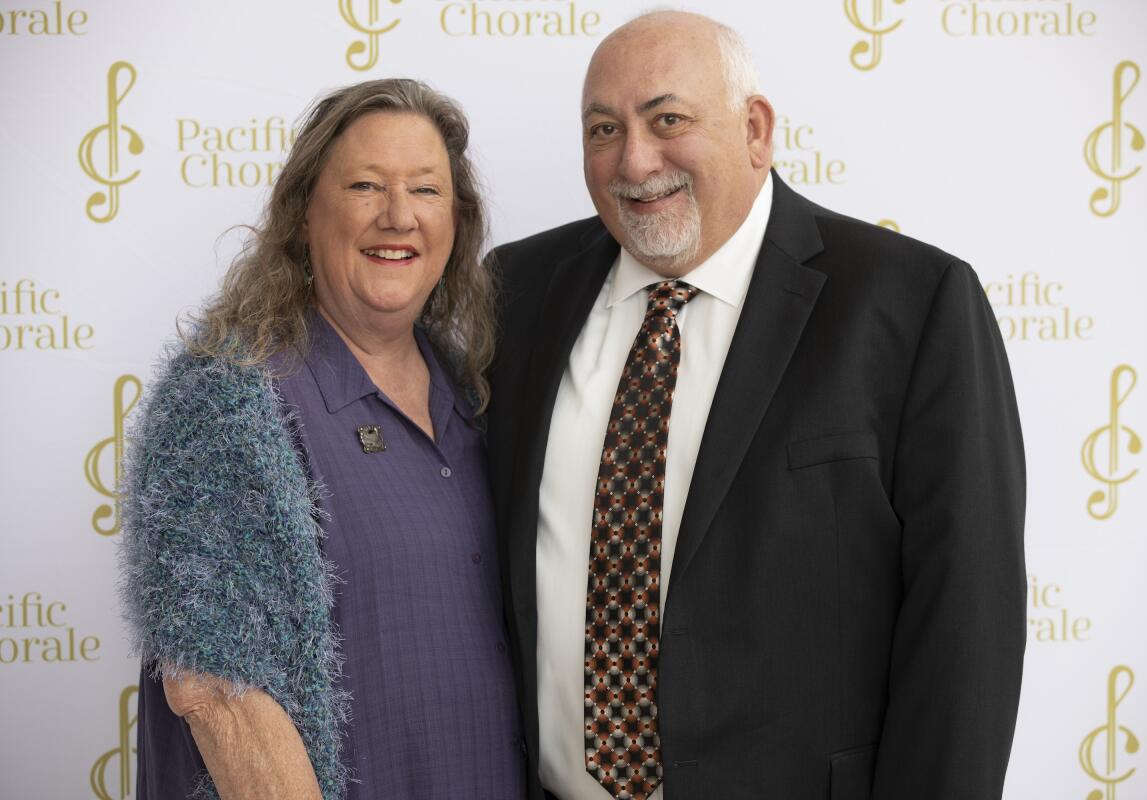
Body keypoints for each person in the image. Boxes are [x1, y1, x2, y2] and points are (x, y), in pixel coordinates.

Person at [486, 11, 1025, 800]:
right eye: (603, 130)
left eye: (667, 119)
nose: (634, 160)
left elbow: (966, 629)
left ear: (756, 129)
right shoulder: (518, 291)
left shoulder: (911, 305)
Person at [120, 79, 524, 800]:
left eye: (426, 191)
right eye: (366, 185)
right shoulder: (228, 397)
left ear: (457, 221)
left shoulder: (472, 393)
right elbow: (218, 692)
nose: (398, 216)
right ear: (305, 211)